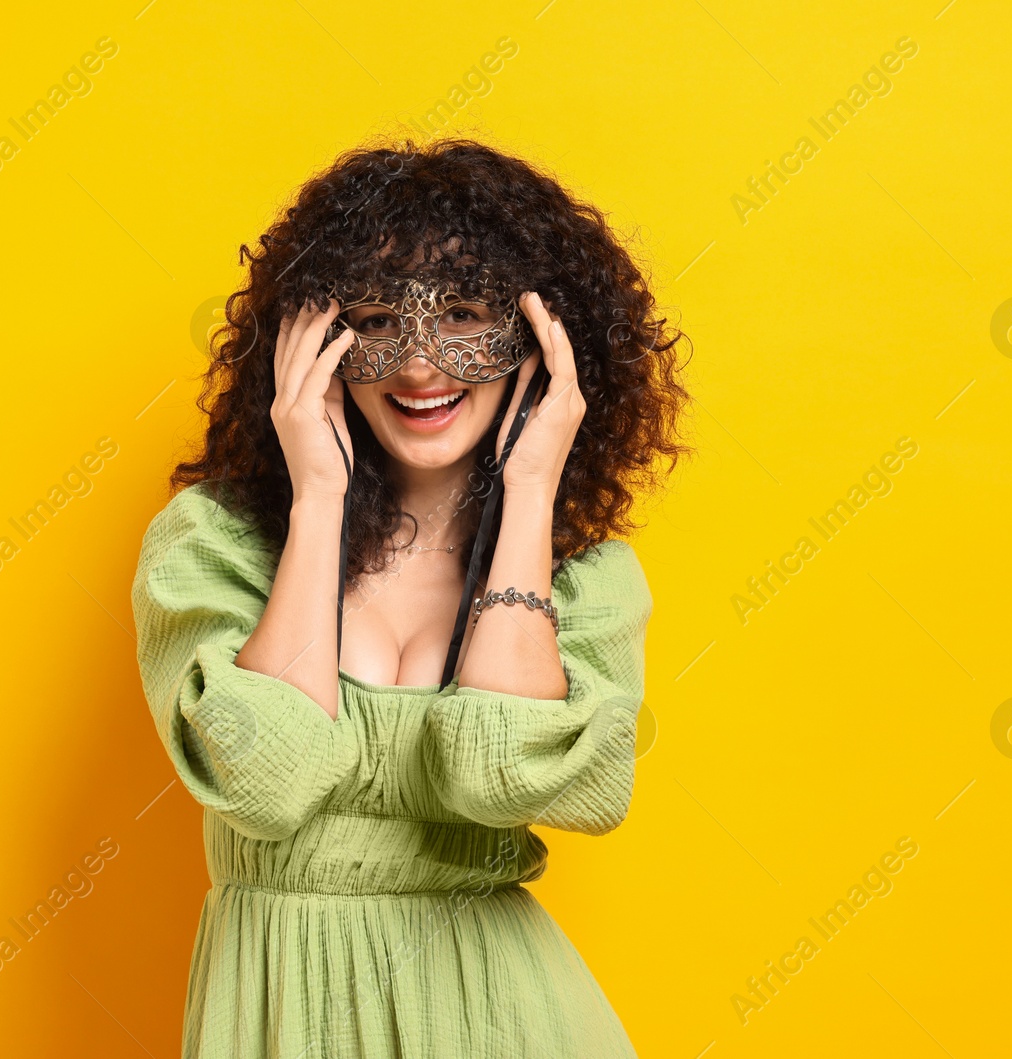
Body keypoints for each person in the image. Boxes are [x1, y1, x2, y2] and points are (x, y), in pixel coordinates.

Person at [132, 138, 688, 1058]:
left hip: (507, 1019)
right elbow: (266, 784)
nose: (421, 367)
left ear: (544, 342)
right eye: (380, 320)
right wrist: (317, 497)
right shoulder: (212, 543)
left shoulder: (586, 579)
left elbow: (499, 773)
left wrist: (531, 492)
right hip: (279, 1013)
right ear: (314, 340)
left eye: (467, 316)